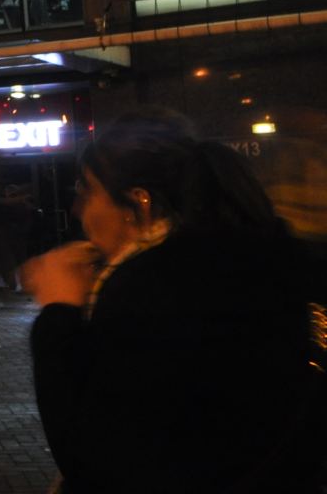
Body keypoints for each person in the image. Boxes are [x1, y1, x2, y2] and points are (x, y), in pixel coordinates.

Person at [23, 108, 323, 491]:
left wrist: (58, 313)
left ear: (139, 203)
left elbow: (94, 457)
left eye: (86, 189)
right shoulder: (264, 261)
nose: (78, 209)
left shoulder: (151, 288)